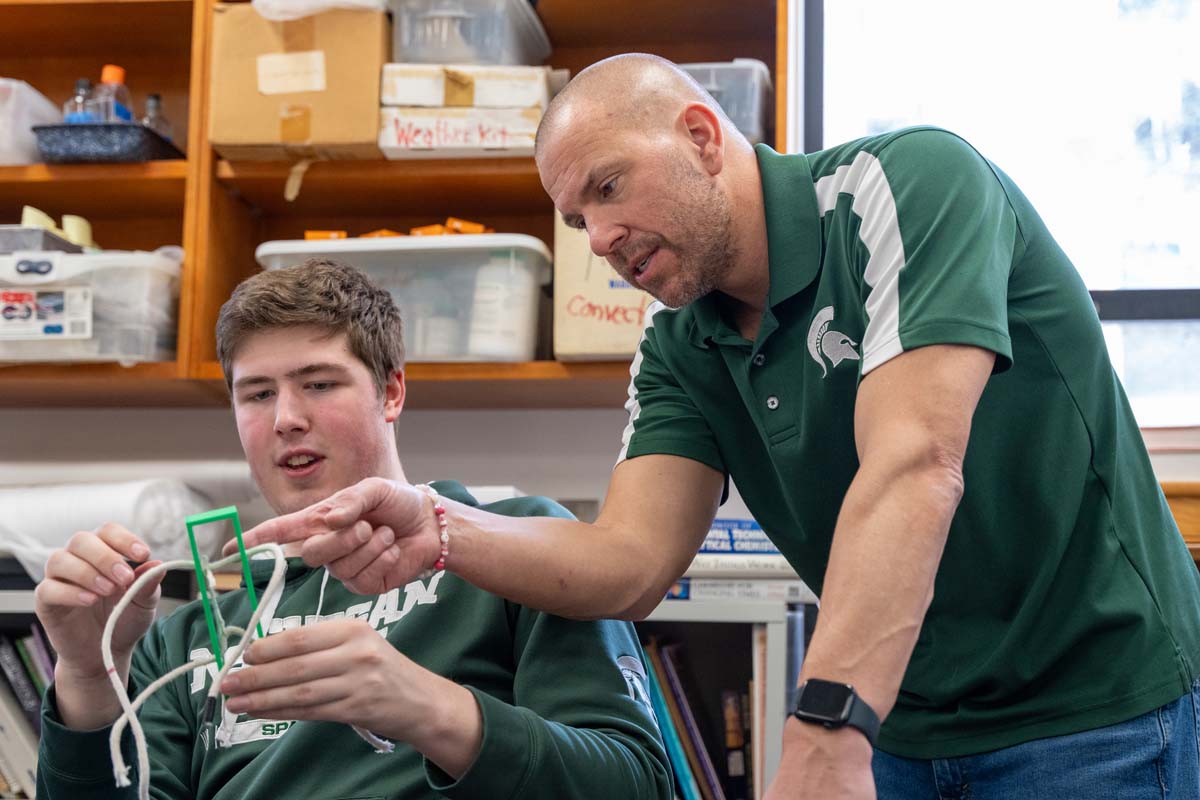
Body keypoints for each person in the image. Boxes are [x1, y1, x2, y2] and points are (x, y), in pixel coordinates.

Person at [238, 54, 1200, 799]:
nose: (600, 240)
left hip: (1092, 707)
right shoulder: (680, 343)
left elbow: (915, 465)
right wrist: (439, 527)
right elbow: (628, 560)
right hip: (905, 722)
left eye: (608, 188)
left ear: (702, 134)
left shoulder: (901, 187)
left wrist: (823, 730)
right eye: (577, 222)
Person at [32, 259, 672, 800]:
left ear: (391, 393)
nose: (286, 418)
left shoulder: (521, 543)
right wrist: (89, 675)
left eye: (318, 383)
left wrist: (428, 707)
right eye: (256, 395)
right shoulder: (186, 632)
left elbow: (635, 783)